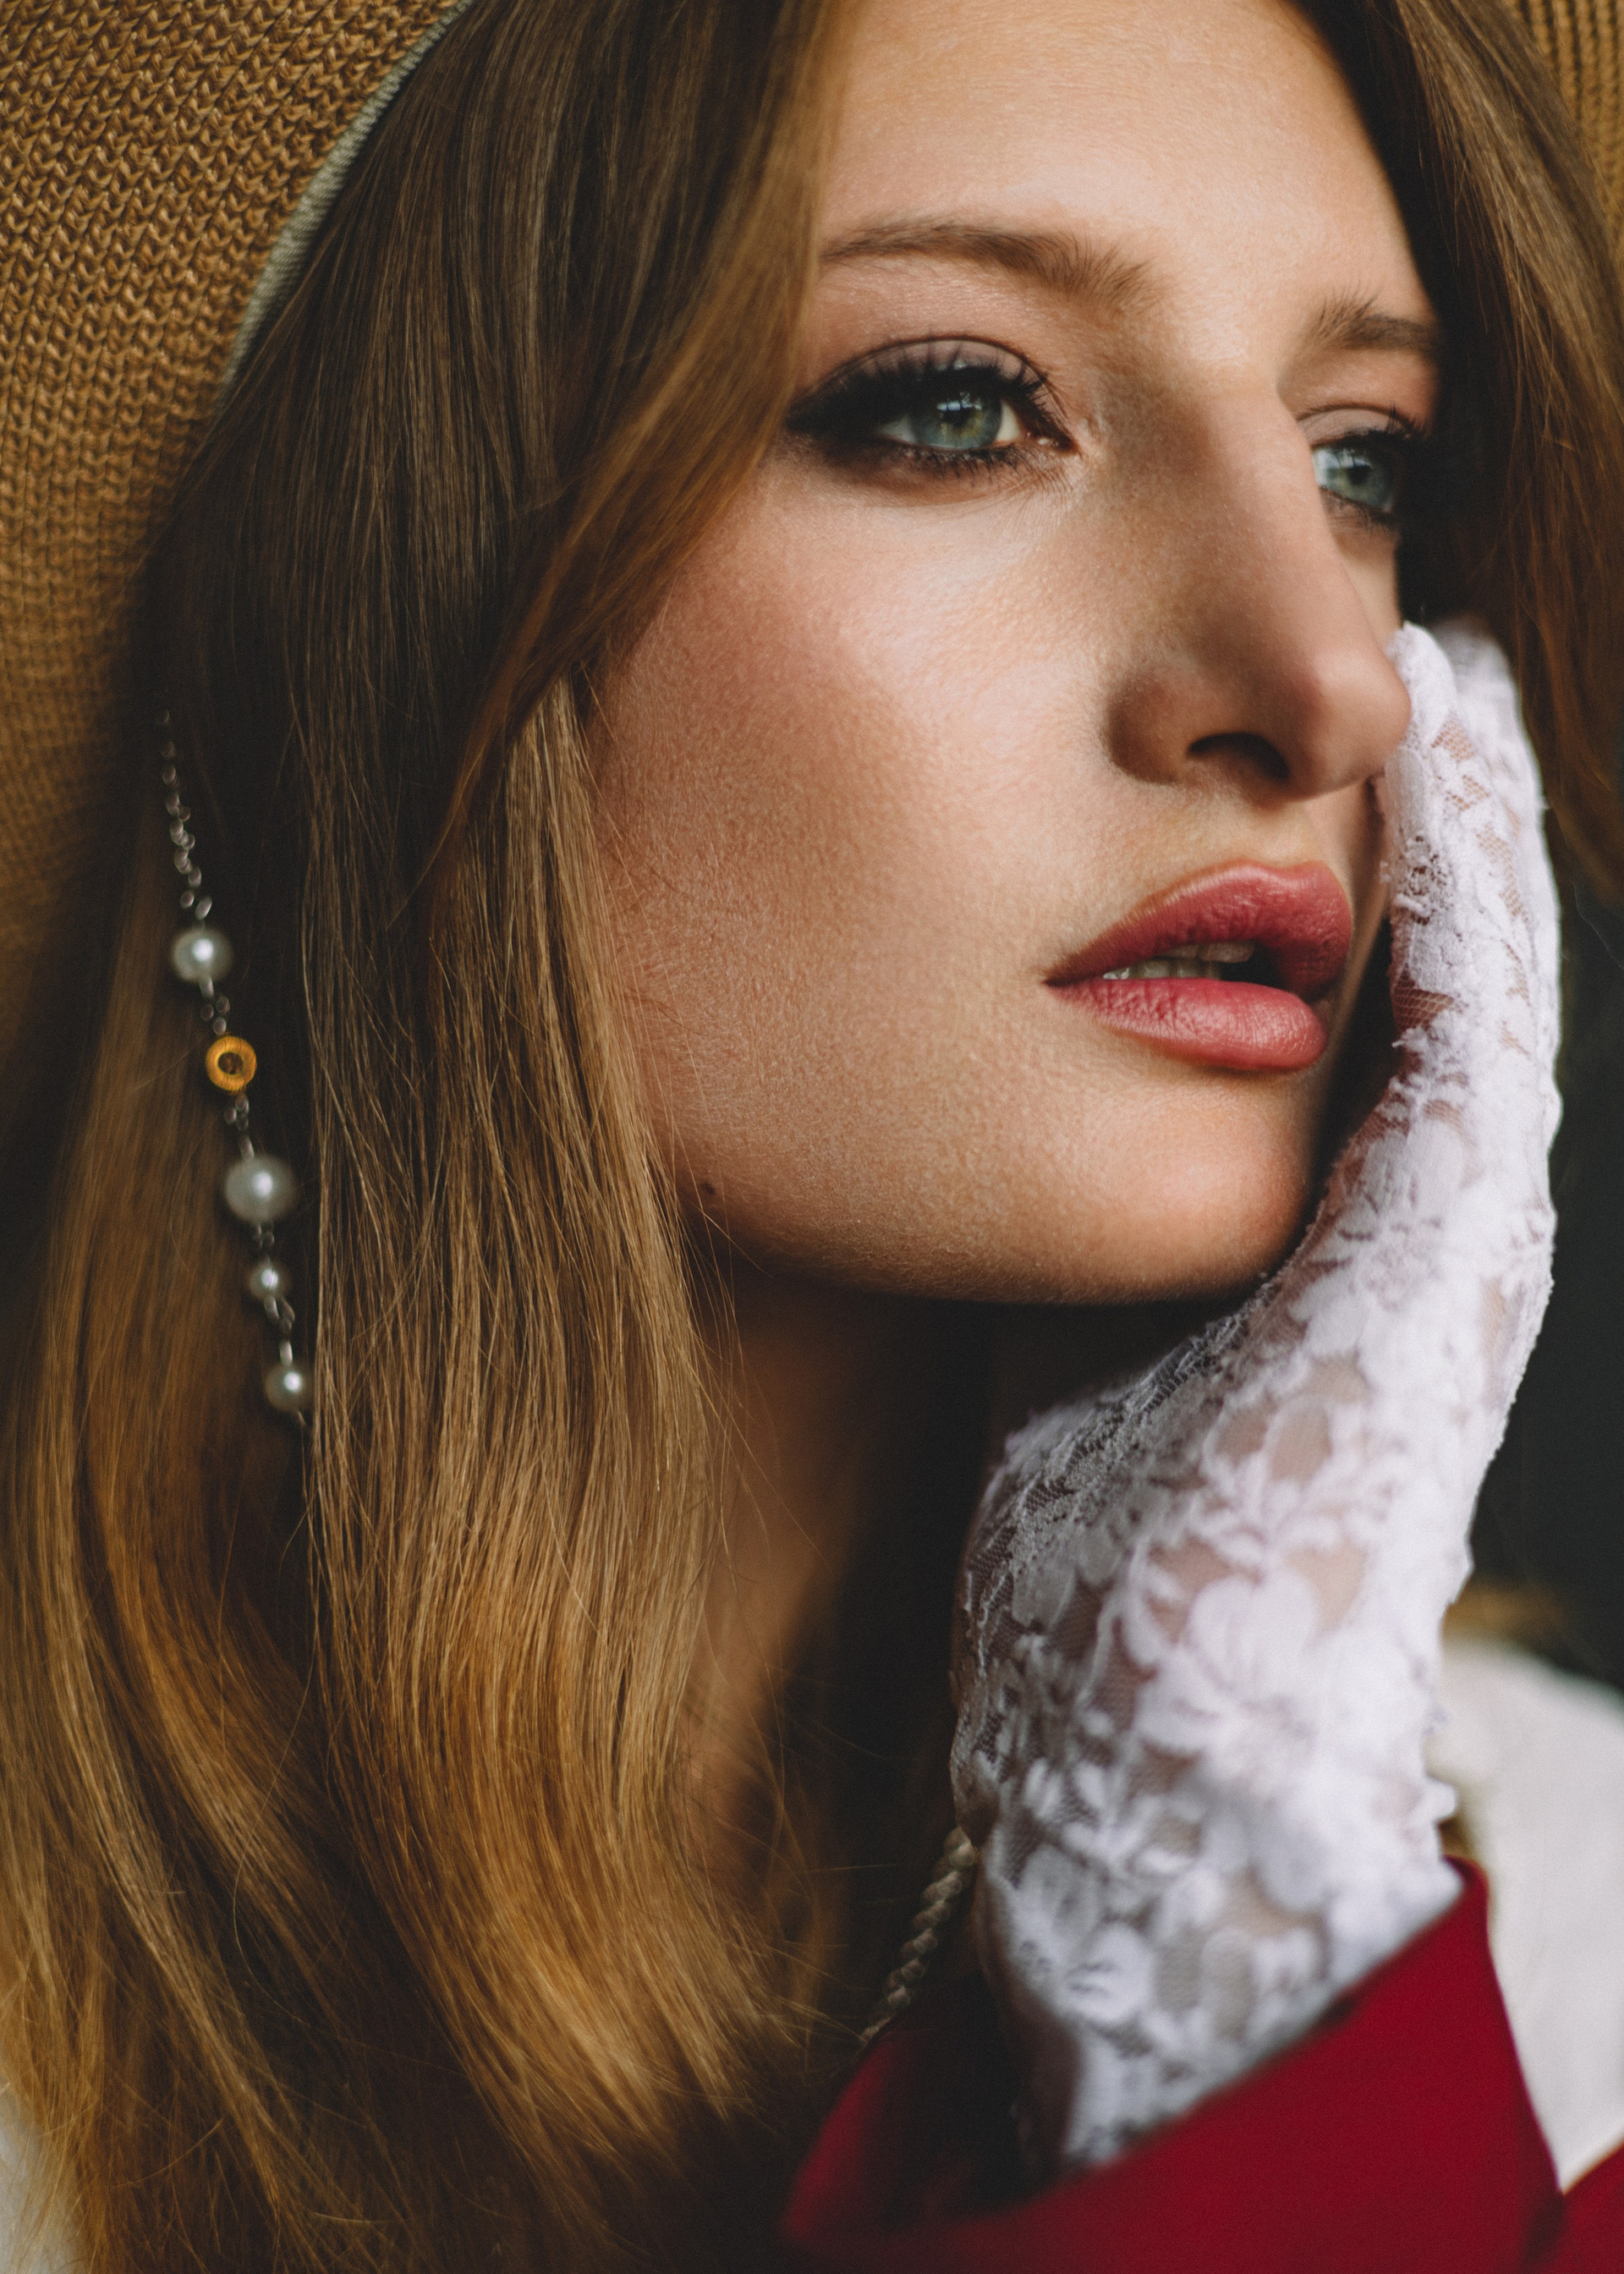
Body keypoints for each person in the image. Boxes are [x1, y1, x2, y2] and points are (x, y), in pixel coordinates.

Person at [3, 0, 1624, 2268]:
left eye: (1364, 459)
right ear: (380, 604)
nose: (1328, 676)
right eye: (957, 404)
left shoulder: (1552, 1963)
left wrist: (1219, 1920)